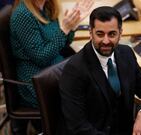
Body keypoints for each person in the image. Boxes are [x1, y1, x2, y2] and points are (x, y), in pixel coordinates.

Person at [58, 6, 141, 135]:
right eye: (100, 34)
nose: (106, 41)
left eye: (112, 34)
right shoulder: (74, 70)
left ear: (121, 33)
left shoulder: (126, 54)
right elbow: (78, 127)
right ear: (90, 33)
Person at [10, 0, 92, 134]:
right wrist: (64, 29)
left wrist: (71, 27)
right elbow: (41, 57)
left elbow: (61, 43)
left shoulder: (48, 6)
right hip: (36, 83)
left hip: (53, 72)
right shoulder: (23, 14)